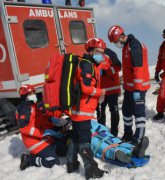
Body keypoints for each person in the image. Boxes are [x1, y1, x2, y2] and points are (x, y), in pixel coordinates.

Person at [67, 38, 109, 179]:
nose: (101, 55)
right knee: (85, 140)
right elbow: (85, 87)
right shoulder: (86, 65)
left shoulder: (90, 64)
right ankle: (91, 170)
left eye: (102, 53)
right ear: (90, 51)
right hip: (82, 111)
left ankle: (71, 164)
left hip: (79, 110)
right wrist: (99, 92)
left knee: (76, 137)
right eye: (98, 52)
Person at [107, 25, 150, 145]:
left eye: (116, 41)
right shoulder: (126, 47)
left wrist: (137, 89)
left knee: (138, 112)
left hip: (138, 88)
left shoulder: (134, 46)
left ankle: (139, 139)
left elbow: (138, 69)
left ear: (121, 36)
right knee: (126, 110)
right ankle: (128, 134)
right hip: (130, 88)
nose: (116, 44)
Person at [16, 84, 68, 170]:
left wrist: (53, 121)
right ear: (24, 96)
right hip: (34, 142)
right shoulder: (24, 109)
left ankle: (46, 152)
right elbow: (24, 128)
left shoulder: (33, 105)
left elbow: (41, 121)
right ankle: (28, 159)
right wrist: (41, 133)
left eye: (33, 92)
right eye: (30, 94)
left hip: (44, 138)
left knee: (64, 150)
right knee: (53, 162)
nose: (33, 95)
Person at [96, 48, 121, 137]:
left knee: (114, 111)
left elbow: (118, 66)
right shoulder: (94, 54)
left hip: (112, 89)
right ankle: (102, 131)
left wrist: (107, 72)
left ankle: (114, 133)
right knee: (100, 111)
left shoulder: (110, 53)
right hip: (100, 90)